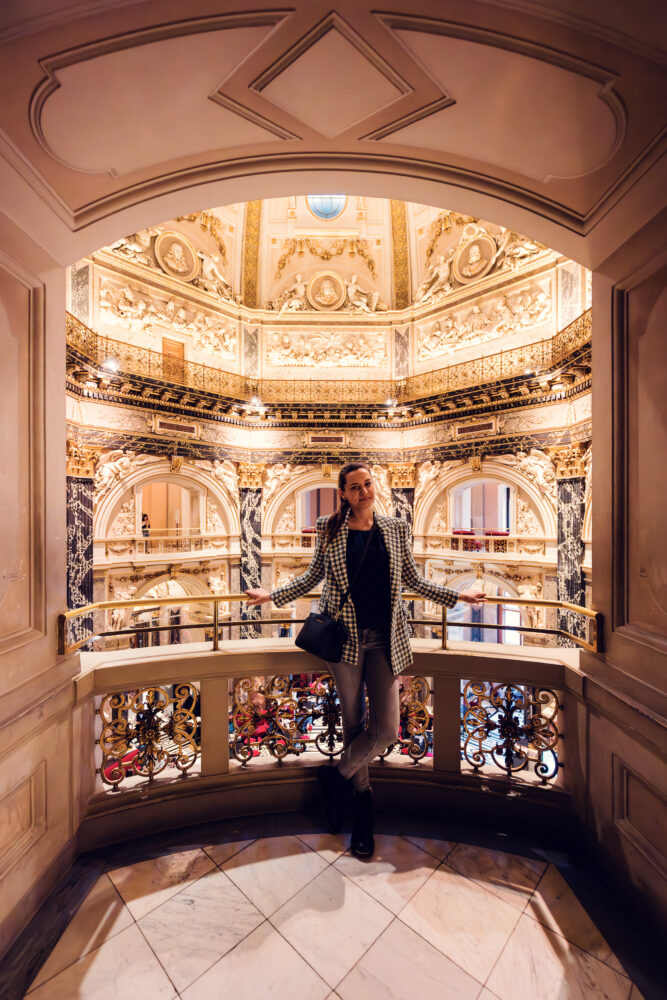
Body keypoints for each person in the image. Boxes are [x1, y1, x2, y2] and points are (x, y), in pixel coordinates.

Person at [245, 462, 486, 859]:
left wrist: (459, 597)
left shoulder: (396, 528)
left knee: (386, 729)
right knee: (355, 723)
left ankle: (334, 780)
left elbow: (413, 579)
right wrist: (271, 596)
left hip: (386, 640)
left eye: (368, 484)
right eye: (354, 487)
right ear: (343, 493)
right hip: (345, 640)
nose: (363, 492)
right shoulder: (330, 528)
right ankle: (363, 814)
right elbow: (311, 578)